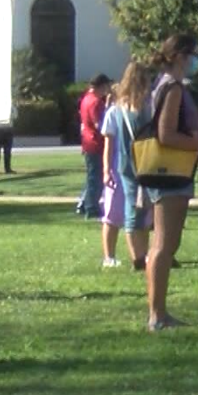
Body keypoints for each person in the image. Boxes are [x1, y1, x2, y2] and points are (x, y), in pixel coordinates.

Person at [143, 34, 198, 331]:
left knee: (166, 244)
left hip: (169, 174)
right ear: (180, 56)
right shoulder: (174, 88)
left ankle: (159, 312)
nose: (196, 60)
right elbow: (165, 134)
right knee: (165, 245)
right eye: (194, 54)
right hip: (170, 175)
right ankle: (157, 314)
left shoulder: (163, 84)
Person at [100, 63, 154, 270]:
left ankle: (140, 255)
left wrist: (106, 169)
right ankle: (140, 257)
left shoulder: (116, 110)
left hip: (126, 165)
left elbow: (109, 144)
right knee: (142, 210)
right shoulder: (147, 108)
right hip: (146, 162)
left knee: (135, 209)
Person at [76, 74, 112, 219]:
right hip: (95, 144)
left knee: (92, 177)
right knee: (95, 179)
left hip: (88, 142)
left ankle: (85, 204)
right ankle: (91, 207)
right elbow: (100, 125)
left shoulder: (86, 99)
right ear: (102, 86)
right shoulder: (96, 102)